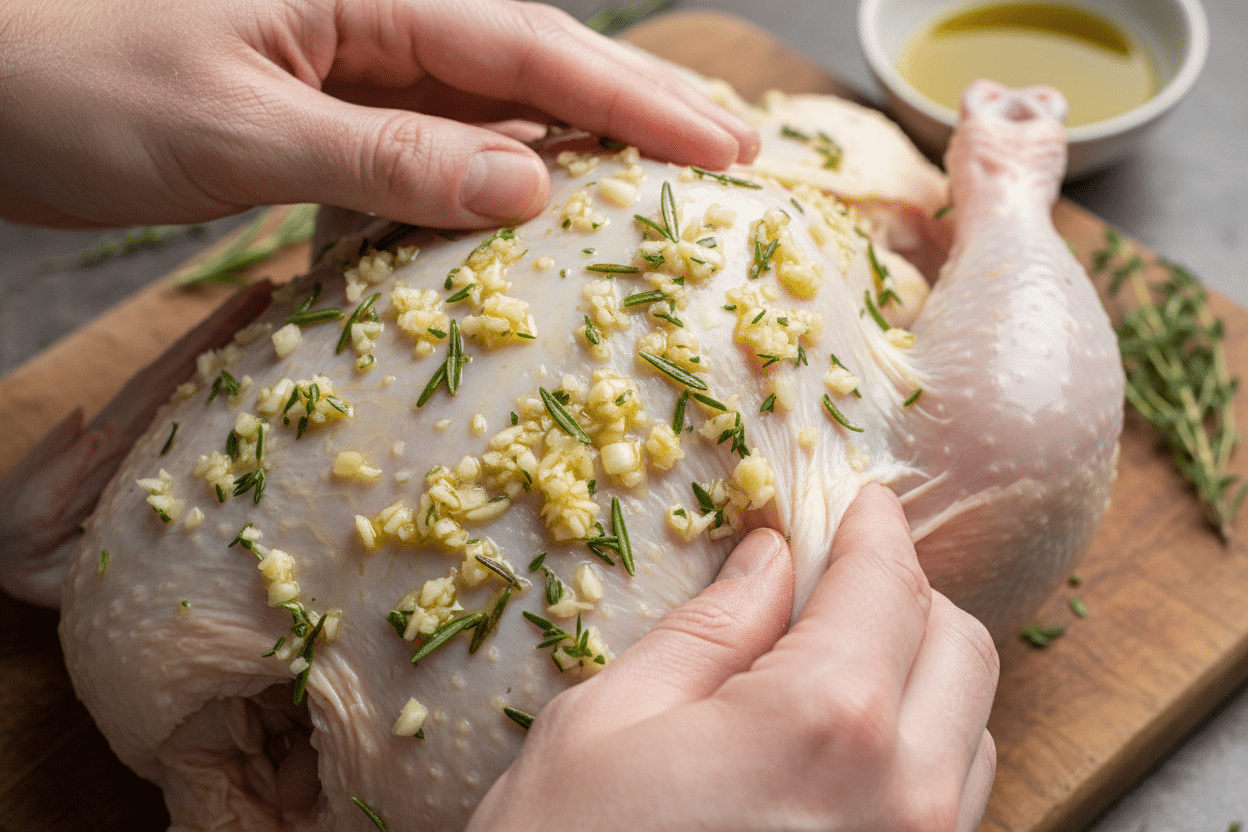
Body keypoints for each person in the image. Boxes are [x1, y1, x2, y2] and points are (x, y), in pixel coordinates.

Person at [0, 1, 998, 829]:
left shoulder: (526, 159)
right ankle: (1015, 191)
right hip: (538, 779)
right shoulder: (866, 215)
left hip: (126, 605)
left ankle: (52, 547)